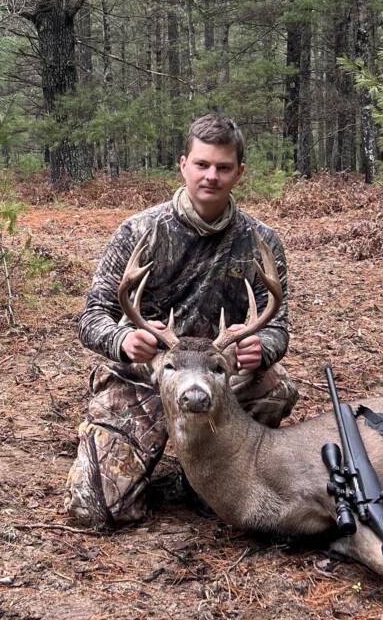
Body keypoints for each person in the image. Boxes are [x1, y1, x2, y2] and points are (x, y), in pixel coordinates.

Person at [66, 113, 298, 529]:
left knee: (275, 388)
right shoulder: (140, 231)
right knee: (96, 510)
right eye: (202, 164)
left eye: (223, 167)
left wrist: (261, 346)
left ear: (239, 172)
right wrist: (123, 341)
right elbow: (92, 316)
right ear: (183, 165)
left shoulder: (260, 240)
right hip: (147, 377)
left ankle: (207, 473)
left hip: (216, 379)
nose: (212, 176)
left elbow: (277, 326)